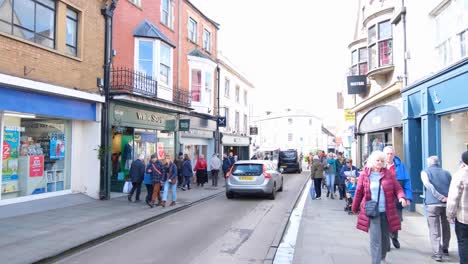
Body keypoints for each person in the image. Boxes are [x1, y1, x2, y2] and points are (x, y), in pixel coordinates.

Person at [352, 150, 407, 264]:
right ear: (372, 161)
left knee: (385, 240)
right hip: (373, 212)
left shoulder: (388, 174)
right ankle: (376, 261)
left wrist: (402, 197)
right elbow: (358, 192)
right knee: (375, 239)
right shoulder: (364, 174)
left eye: (382, 161)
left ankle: (382, 257)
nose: (379, 163)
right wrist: (354, 207)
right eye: (377, 160)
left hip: (387, 212)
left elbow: (398, 188)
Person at [421, 156, 452, 262]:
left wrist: (439, 196)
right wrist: (447, 198)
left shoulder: (425, 172)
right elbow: (452, 187)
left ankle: (437, 253)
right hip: (447, 203)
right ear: (438, 163)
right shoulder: (447, 173)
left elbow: (428, 185)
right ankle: (445, 249)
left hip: (432, 204)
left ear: (429, 163)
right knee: (446, 226)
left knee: (434, 228)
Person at [383, 146, 412, 249]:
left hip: (397, 197)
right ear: (384, 154)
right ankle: (386, 242)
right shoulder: (380, 165)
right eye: (387, 153)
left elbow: (407, 181)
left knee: (397, 220)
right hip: (384, 198)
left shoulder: (400, 166)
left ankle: (394, 236)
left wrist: (408, 197)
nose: (389, 156)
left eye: (391, 154)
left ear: (394, 154)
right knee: (385, 220)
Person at [447, 151, 468, 264]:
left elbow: (453, 198)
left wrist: (450, 215)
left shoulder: (460, 175)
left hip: (463, 218)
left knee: (463, 242)